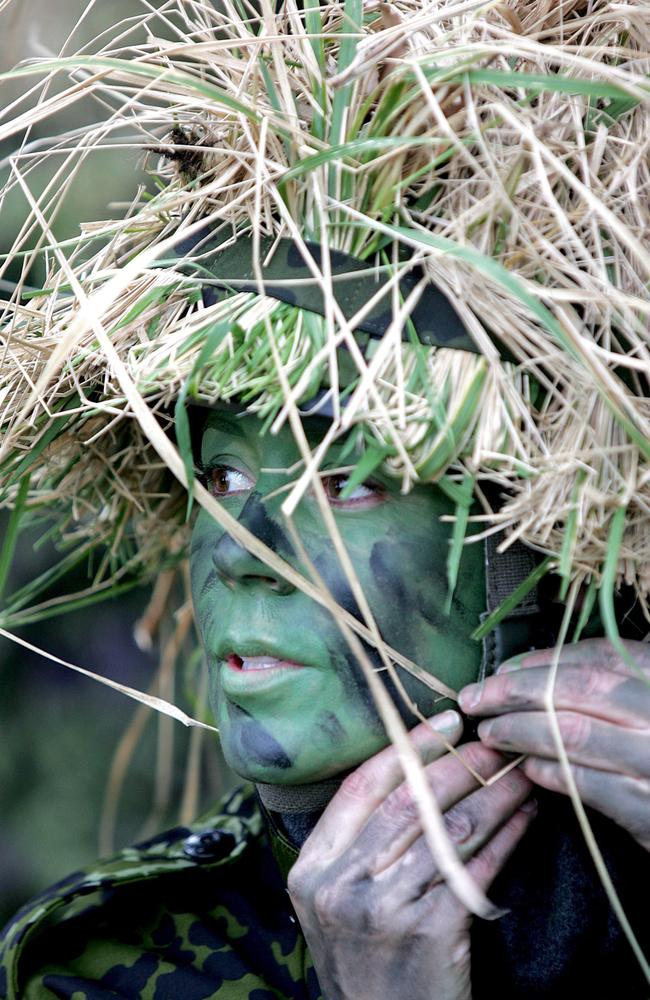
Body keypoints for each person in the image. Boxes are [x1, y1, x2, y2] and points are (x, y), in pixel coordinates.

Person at [1, 1, 649, 997]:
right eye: (216, 476)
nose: (236, 547)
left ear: (554, 540)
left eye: (345, 480)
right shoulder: (110, 967)